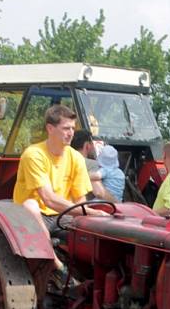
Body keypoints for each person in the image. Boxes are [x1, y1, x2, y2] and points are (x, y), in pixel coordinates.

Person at [12, 104, 106, 282]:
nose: (70, 133)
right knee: (30, 205)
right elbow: (48, 199)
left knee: (96, 228)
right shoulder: (34, 154)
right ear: (50, 128)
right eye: (65, 128)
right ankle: (57, 266)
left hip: (62, 215)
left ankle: (93, 275)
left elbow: (80, 200)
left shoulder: (76, 158)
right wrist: (92, 211)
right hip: (34, 215)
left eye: (72, 128)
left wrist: (90, 219)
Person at [71, 129, 109, 200]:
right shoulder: (92, 164)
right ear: (87, 146)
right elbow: (99, 192)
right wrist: (117, 203)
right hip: (83, 207)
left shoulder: (64, 162)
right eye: (92, 144)